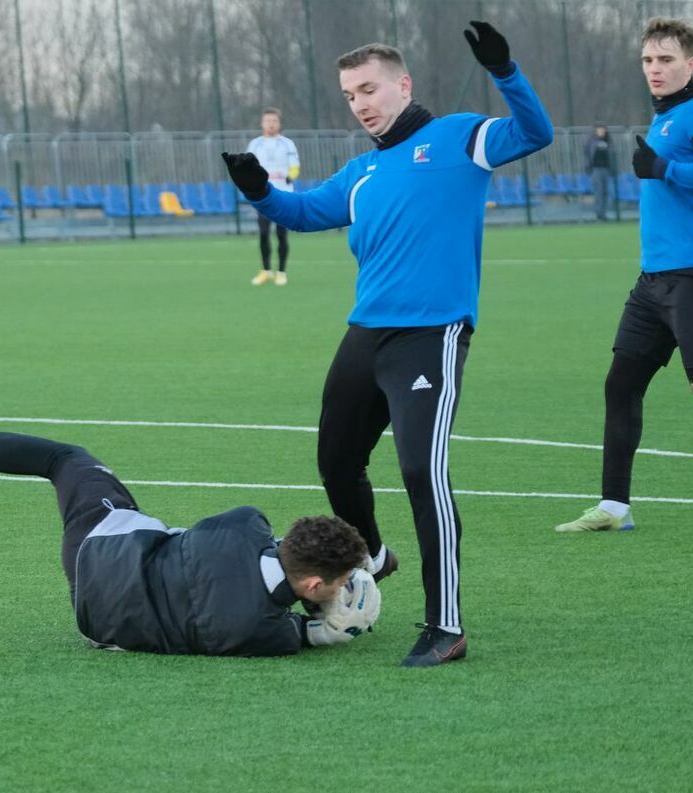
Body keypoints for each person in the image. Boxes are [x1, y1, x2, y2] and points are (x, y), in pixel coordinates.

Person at [221, 21, 552, 666]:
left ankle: (446, 626)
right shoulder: (363, 169)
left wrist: (505, 70)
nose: (361, 103)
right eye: (349, 95)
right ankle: (374, 555)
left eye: (369, 88)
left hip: (431, 334)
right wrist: (258, 188)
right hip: (366, 332)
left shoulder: (460, 137)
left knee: (419, 472)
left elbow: (535, 133)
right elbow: (305, 212)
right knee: (336, 461)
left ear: (402, 84)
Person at [0, 372, 384, 658]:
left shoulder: (246, 523)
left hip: (99, 552)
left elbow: (254, 562)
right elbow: (301, 628)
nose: (343, 589)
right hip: (96, 625)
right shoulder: (271, 635)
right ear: (315, 586)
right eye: (341, 582)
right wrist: (325, 626)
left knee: (64, 459)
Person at [556, 18, 693, 533]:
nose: (655, 68)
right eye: (649, 60)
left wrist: (665, 170)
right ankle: (614, 508)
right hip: (654, 283)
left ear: (689, 64)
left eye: (666, 59)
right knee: (621, 384)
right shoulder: (664, 117)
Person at [245, 109, 300, 286]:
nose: (271, 124)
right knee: (263, 233)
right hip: (263, 195)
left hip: (283, 195)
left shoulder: (287, 144)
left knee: (281, 234)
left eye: (274, 121)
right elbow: (247, 165)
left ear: (279, 123)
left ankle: (281, 272)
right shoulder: (255, 144)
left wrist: (291, 175)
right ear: (262, 123)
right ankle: (266, 271)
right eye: (267, 120)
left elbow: (295, 165)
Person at [585, 124, 614, 221]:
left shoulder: (608, 141)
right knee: (598, 192)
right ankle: (599, 213)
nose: (601, 131)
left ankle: (604, 213)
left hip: (606, 169)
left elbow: (612, 155)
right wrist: (589, 167)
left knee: (605, 192)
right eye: (599, 130)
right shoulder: (592, 141)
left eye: (603, 130)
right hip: (596, 169)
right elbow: (587, 153)